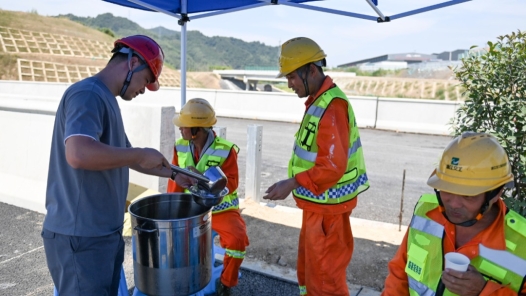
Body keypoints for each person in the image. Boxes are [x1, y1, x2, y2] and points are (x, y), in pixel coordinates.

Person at [41, 35, 195, 296]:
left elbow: (124, 155)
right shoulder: (87, 94)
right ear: (132, 62)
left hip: (102, 234)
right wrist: (137, 154)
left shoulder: (106, 100)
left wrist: (176, 174)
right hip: (82, 236)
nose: (144, 89)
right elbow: (78, 153)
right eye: (146, 80)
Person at [263, 37, 370, 296]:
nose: (289, 84)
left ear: (311, 70)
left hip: (328, 213)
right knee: (312, 274)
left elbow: (332, 166)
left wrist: (292, 183)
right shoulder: (319, 103)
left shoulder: (331, 106)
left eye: (292, 77)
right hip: (319, 207)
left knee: (325, 281)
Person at [382, 132, 526, 296]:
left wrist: (484, 291)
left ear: (497, 192)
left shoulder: (523, 244)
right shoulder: (426, 212)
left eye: (468, 196)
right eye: (447, 190)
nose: (453, 204)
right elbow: (399, 274)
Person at [167, 98, 249, 296]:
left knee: (238, 241)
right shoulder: (180, 146)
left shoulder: (226, 150)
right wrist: (170, 210)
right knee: (173, 244)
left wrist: (202, 180)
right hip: (191, 209)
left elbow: (232, 183)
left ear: (197, 129)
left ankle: (226, 283)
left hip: (221, 210)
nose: (180, 129)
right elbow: (175, 184)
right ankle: (177, 280)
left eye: (184, 126)